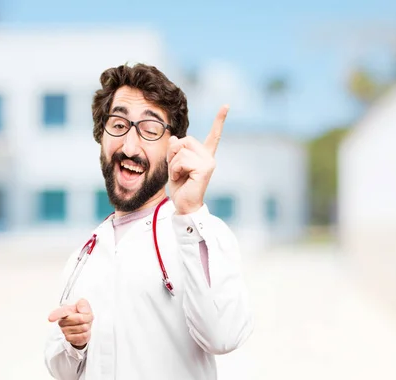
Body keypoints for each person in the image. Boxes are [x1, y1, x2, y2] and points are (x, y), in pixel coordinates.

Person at [44, 63, 254, 380]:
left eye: (150, 130)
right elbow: (60, 370)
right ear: (101, 136)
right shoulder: (85, 254)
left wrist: (191, 212)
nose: (129, 146)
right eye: (117, 125)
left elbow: (224, 336)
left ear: (174, 147)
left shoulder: (202, 233)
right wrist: (76, 343)